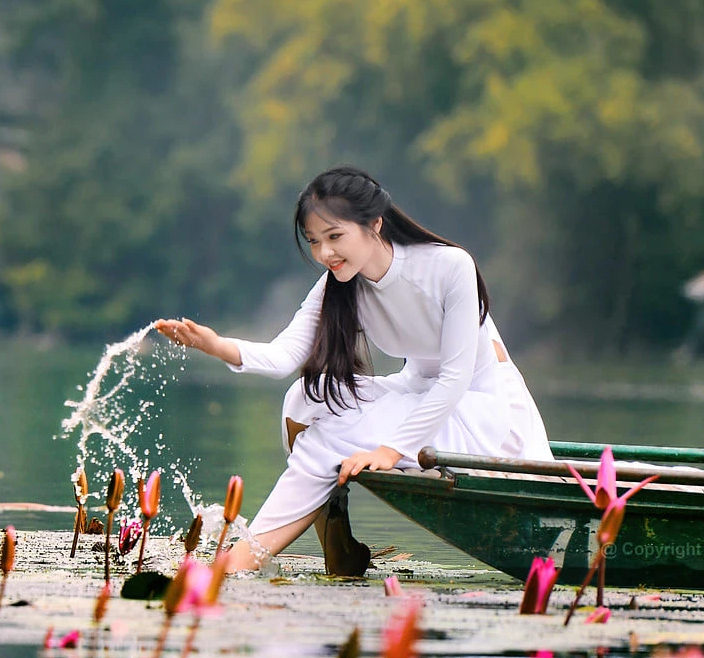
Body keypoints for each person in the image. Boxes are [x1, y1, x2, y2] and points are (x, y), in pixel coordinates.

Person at [157, 167, 552, 573]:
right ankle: (328, 536)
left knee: (330, 436)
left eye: (334, 237)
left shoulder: (450, 266)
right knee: (304, 398)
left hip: (482, 416)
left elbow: (454, 379)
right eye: (314, 242)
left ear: (374, 223)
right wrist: (217, 345)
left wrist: (389, 451)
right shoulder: (339, 284)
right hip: (419, 398)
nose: (325, 253)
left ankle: (239, 563)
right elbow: (285, 357)